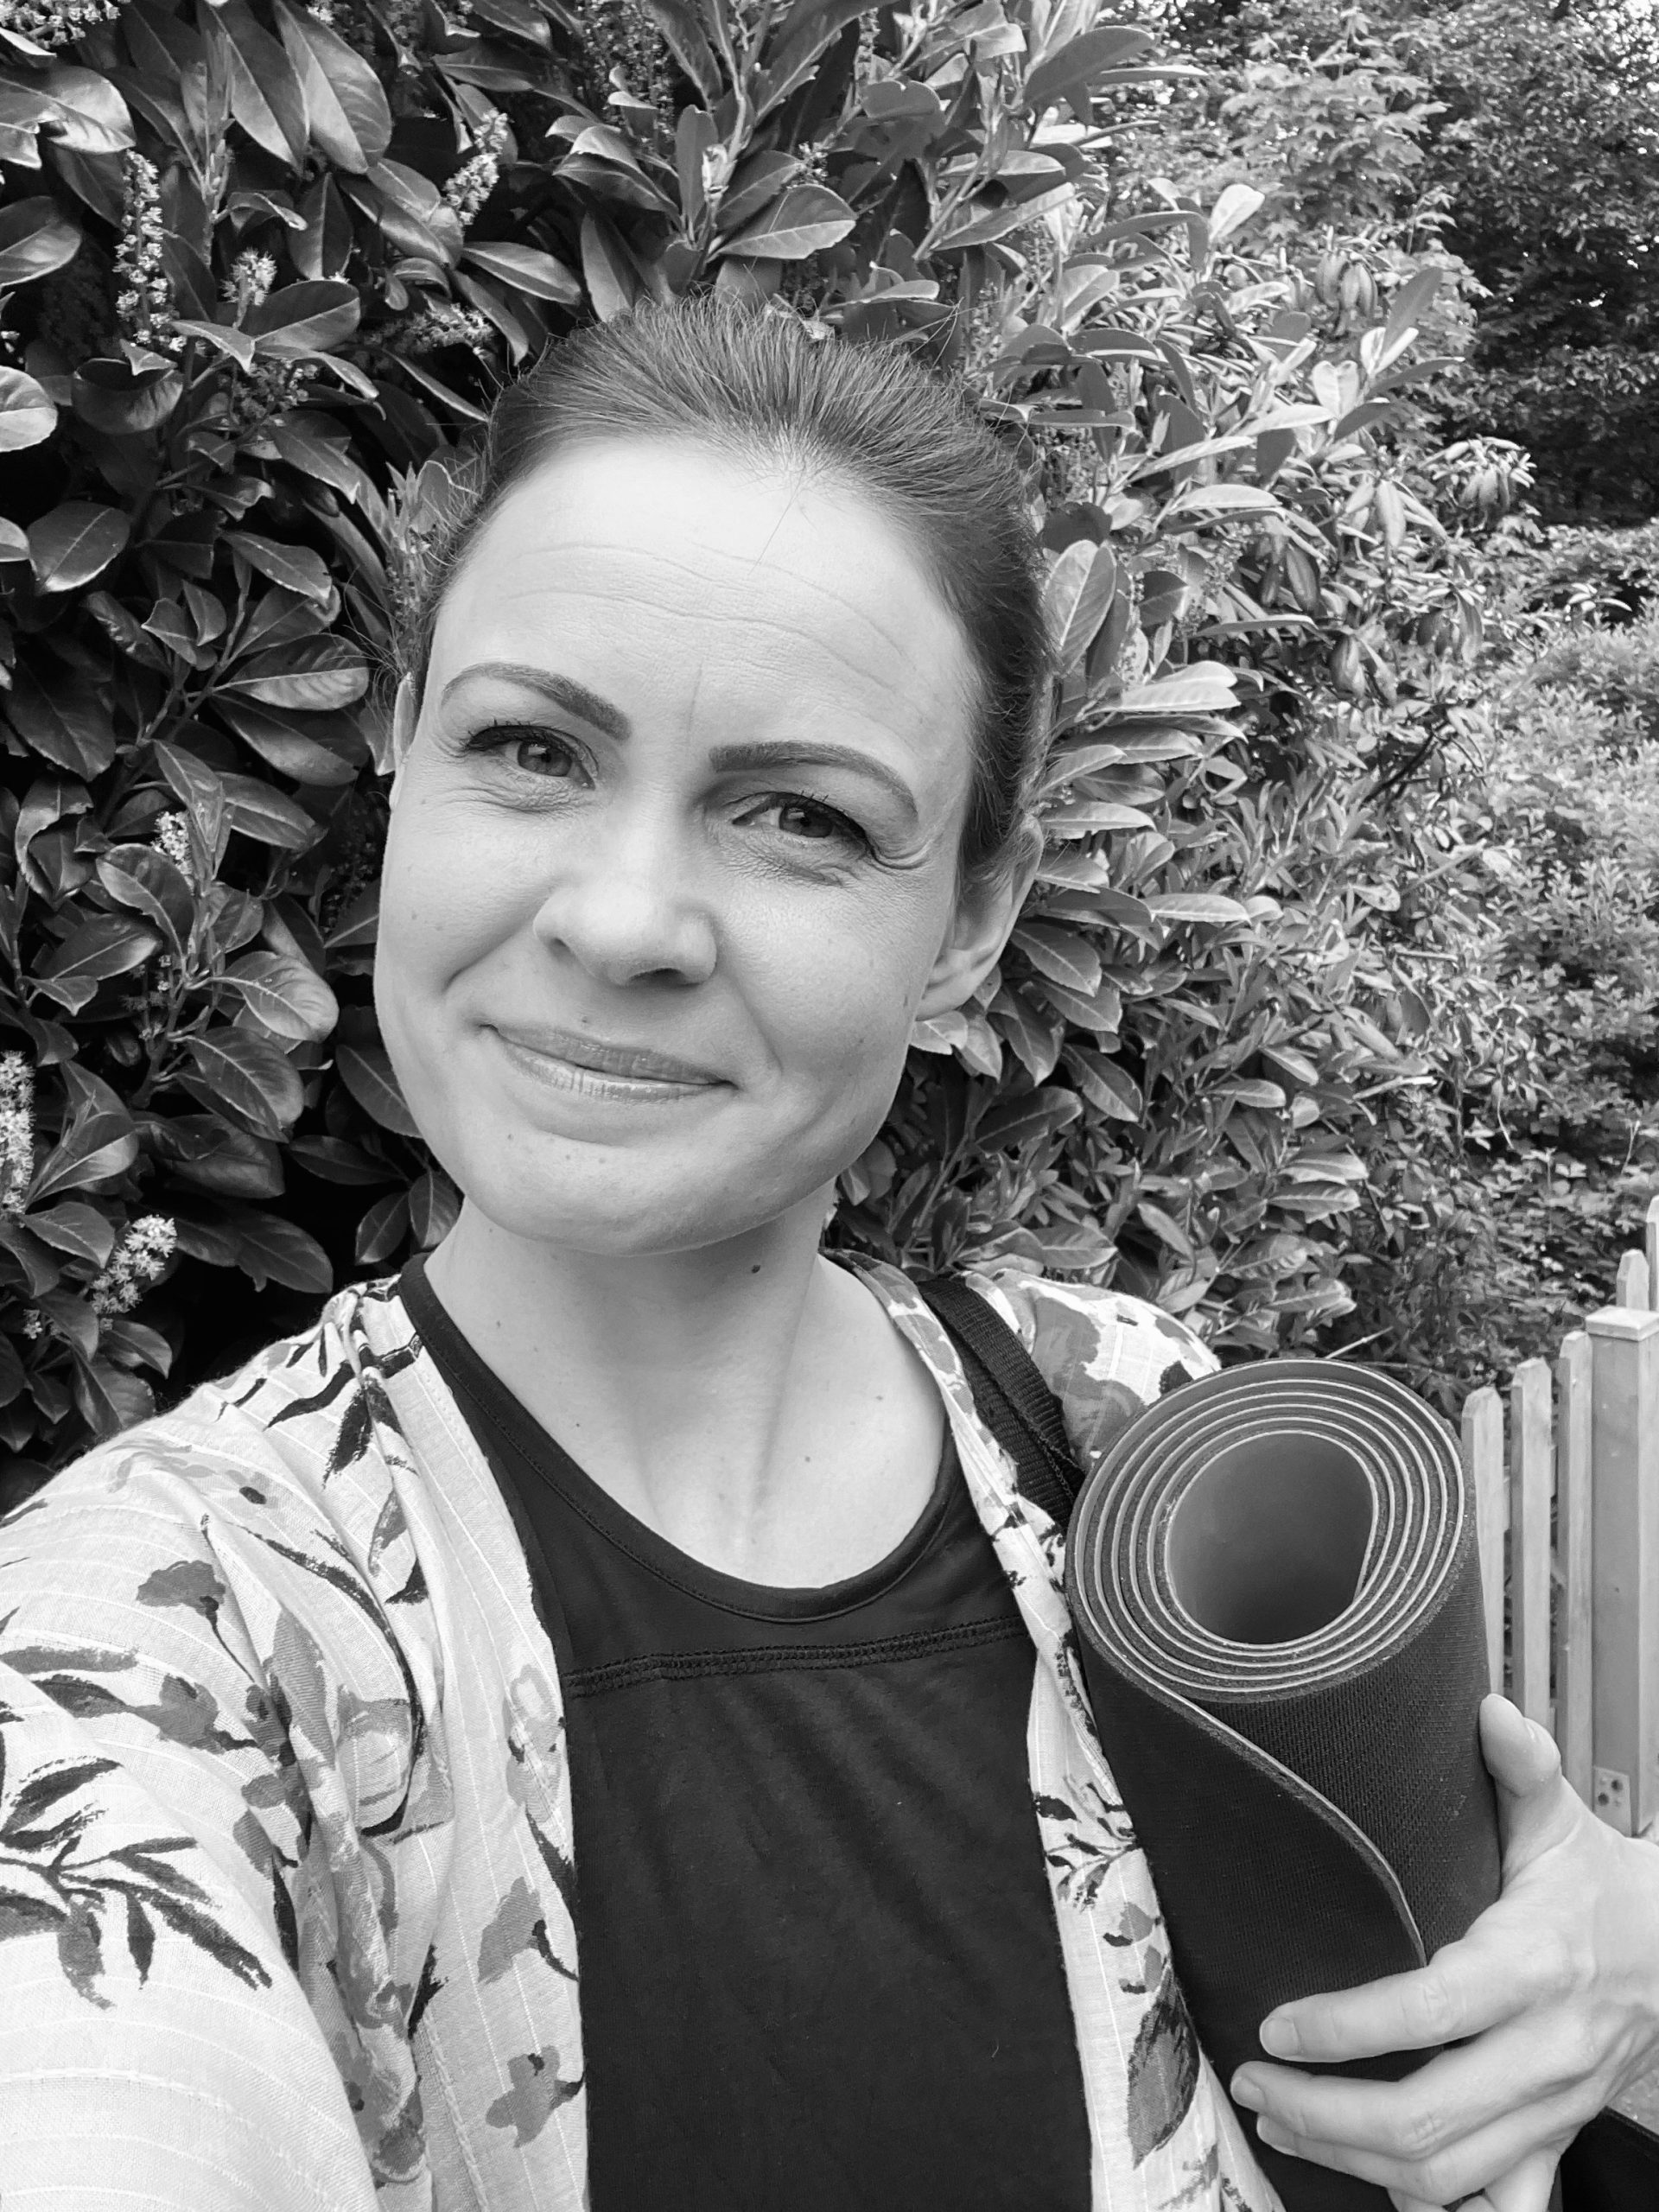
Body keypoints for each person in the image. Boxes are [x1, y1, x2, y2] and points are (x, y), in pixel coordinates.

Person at [0, 298, 1652, 2212]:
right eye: (530, 747)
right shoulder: (173, 1626)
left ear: (972, 926)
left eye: (801, 815)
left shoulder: (1126, 1425)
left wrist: (1619, 1955)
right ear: (403, 770)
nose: (626, 919)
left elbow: (1467, 1997)